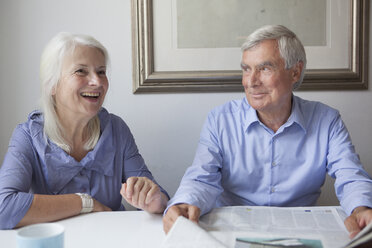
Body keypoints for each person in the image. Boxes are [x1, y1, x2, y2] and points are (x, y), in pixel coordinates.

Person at [163, 25, 372, 237]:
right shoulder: (220, 120)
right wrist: (184, 203)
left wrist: (361, 208)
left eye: (264, 69)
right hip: (231, 233)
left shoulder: (327, 121)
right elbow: (201, 178)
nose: (251, 82)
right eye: (246, 69)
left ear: (295, 72)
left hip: (301, 234)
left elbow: (351, 176)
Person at [0, 32, 169, 229]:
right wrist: (85, 203)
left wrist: (155, 200)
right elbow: (4, 208)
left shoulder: (116, 129)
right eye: (81, 71)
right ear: (52, 85)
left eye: (101, 71)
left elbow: (160, 202)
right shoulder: (28, 136)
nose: (97, 82)